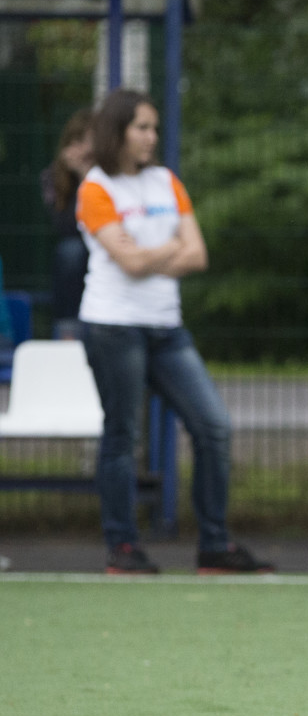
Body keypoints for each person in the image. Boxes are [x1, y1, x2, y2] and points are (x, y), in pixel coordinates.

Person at [75, 89, 273, 576]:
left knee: (213, 427)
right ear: (117, 130)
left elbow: (197, 254)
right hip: (113, 326)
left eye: (154, 128)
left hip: (166, 328)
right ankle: (122, 548)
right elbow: (130, 262)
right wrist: (166, 249)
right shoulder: (96, 189)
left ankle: (214, 547)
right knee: (122, 435)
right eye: (141, 127)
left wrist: (149, 255)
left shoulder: (166, 181)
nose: (151, 137)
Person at [42, 109, 95, 338]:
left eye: (88, 142)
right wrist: (82, 178)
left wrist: (89, 175)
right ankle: (68, 330)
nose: (83, 150)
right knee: (70, 252)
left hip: (109, 245)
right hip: (79, 251)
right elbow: (67, 227)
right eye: (77, 142)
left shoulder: (108, 177)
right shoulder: (53, 177)